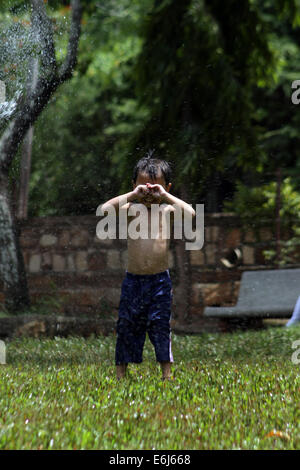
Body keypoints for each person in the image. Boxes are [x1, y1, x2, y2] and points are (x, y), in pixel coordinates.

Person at [101, 151, 195, 380]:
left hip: (160, 281)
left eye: (156, 188)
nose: (149, 193)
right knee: (126, 325)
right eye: (143, 187)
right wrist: (133, 195)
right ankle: (121, 373)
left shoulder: (167, 211)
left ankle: (166, 373)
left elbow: (191, 214)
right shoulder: (131, 211)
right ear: (134, 185)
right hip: (133, 279)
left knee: (160, 324)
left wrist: (165, 196)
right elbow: (105, 210)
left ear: (166, 187)